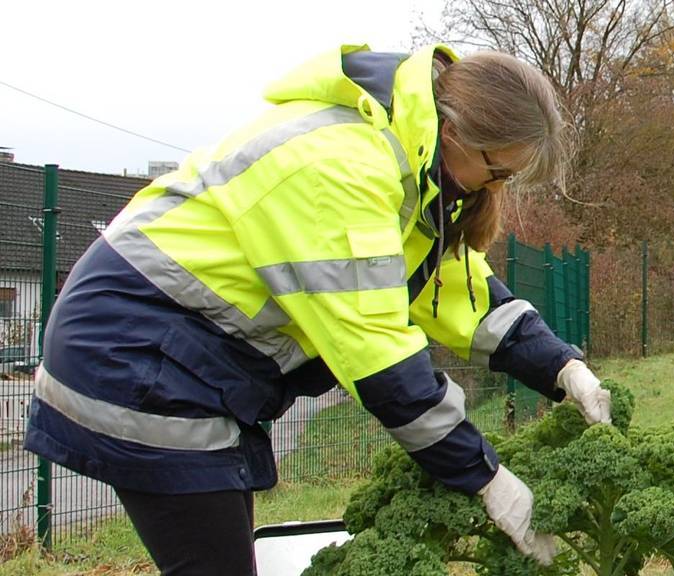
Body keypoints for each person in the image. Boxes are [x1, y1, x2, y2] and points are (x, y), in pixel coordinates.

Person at [25, 43, 611, 574]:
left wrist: (560, 366)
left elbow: (450, 289)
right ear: (455, 131)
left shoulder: (407, 159)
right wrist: (486, 477)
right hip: (136, 352)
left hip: (182, 358)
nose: (493, 188)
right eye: (496, 169)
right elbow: (380, 357)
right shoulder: (343, 167)